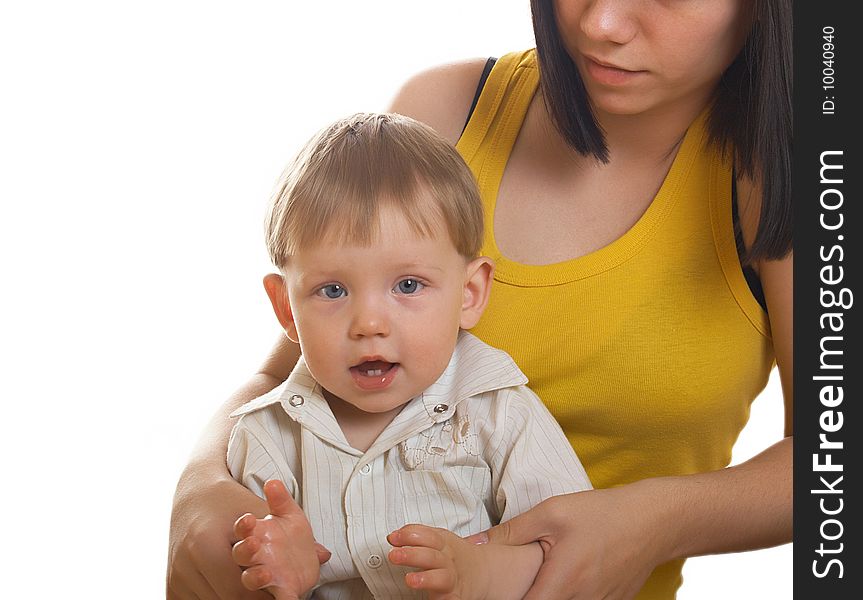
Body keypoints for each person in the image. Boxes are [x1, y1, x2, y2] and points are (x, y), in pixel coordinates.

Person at [167, 1, 793, 598]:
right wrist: (201, 486)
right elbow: (285, 380)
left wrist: (653, 521)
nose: (601, 23)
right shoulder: (442, 115)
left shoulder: (793, 173)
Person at [225, 112, 592, 599]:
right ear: (285, 308)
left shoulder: (497, 413)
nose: (369, 324)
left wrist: (483, 572)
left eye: (408, 285)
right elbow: (207, 575)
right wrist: (270, 572)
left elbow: (572, 549)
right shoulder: (266, 437)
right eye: (332, 290)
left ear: (469, 292)